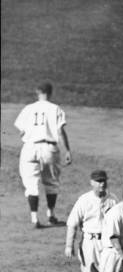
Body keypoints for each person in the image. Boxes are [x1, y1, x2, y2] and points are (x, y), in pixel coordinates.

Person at [14, 82, 72, 228]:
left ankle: (34, 219)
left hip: (29, 148)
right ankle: (51, 215)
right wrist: (68, 150)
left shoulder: (28, 108)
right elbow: (60, 131)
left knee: (31, 184)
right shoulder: (55, 108)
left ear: (37, 92)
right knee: (51, 183)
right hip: (49, 149)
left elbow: (21, 131)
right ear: (50, 93)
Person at [65, 170, 119, 272]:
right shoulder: (84, 200)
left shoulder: (113, 200)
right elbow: (72, 223)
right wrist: (69, 245)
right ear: (92, 183)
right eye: (98, 181)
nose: (101, 184)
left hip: (108, 243)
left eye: (103, 181)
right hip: (90, 241)